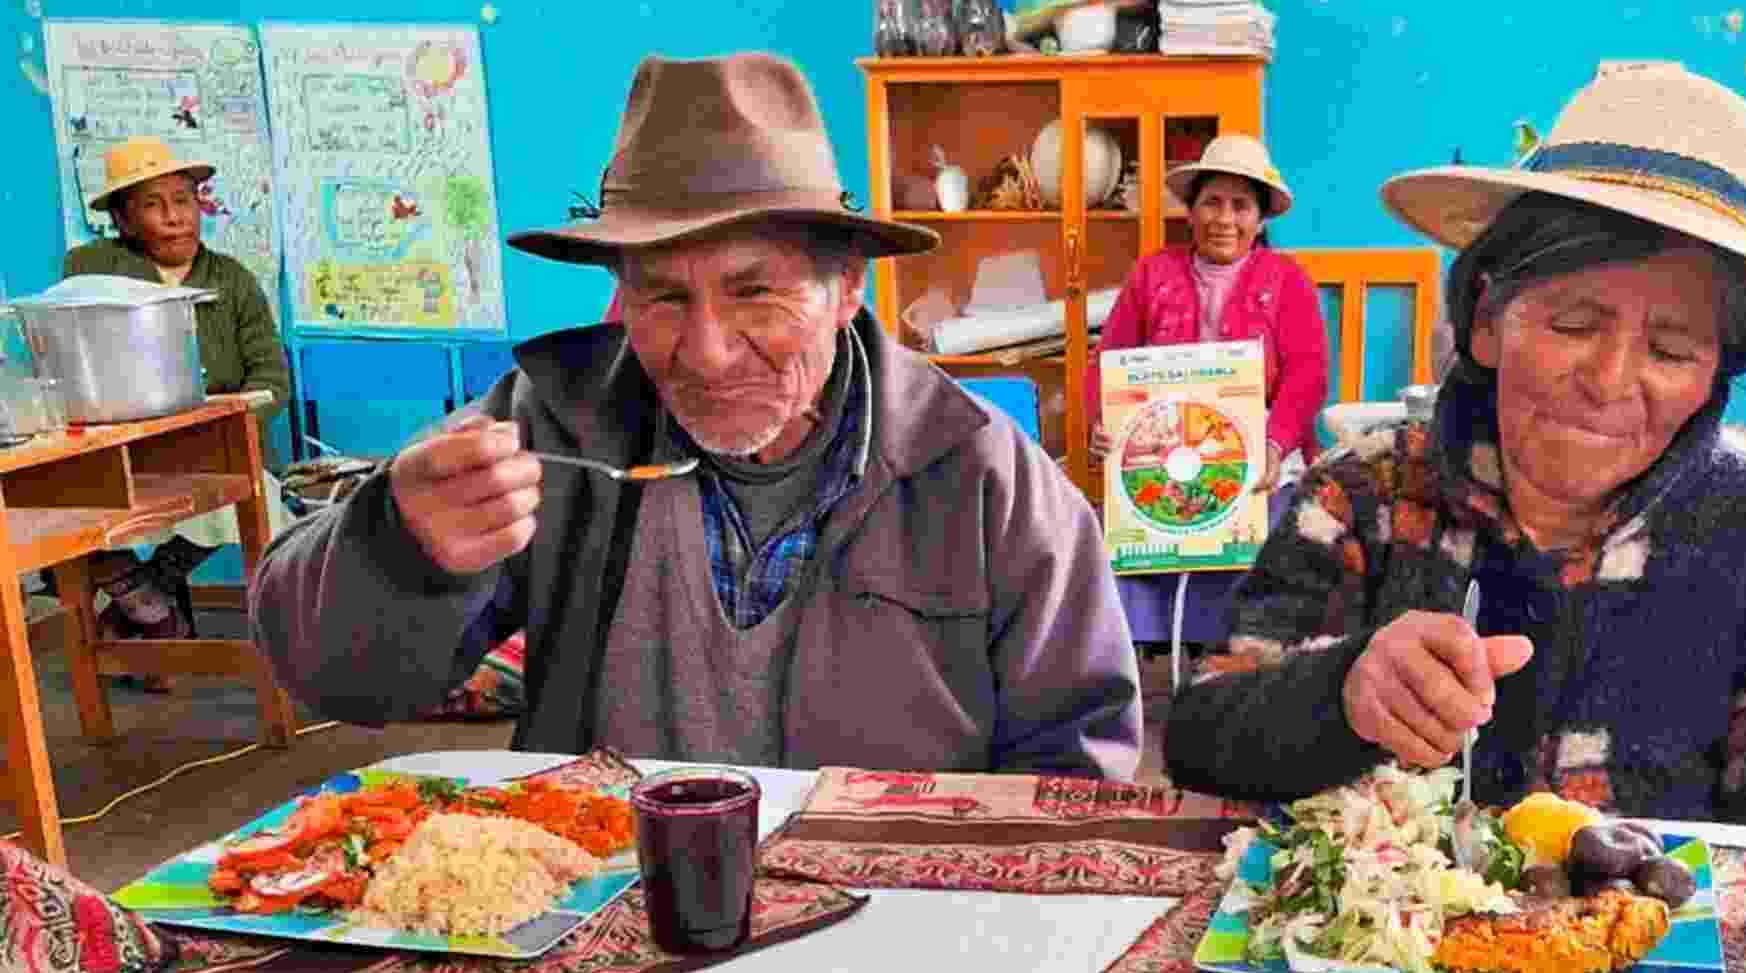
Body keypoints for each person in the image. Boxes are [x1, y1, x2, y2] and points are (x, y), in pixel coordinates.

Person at [250, 52, 1141, 777]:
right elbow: (329, 676)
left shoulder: (984, 476)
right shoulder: (553, 424)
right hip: (606, 899)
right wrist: (397, 547)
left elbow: (1078, 768)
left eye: (756, 292)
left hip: (896, 923)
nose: (708, 353)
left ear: (845, 289)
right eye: (664, 297)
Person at [1163, 60, 1746, 821]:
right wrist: (1341, 693)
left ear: (1713, 379)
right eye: (1573, 324)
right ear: (1486, 321)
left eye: (1671, 352)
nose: (1610, 381)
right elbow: (1200, 737)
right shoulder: (1367, 492)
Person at [63, 137, 291, 681]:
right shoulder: (97, 270)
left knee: (249, 493)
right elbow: (81, 342)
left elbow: (271, 378)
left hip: (218, 444)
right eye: (153, 205)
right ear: (123, 219)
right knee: (73, 508)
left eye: (184, 201)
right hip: (129, 447)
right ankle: (151, 611)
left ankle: (150, 600)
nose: (174, 218)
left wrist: (226, 422)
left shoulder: (232, 279)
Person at [1084, 133, 1328, 488]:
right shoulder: (1152, 273)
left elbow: (1308, 375)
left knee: (1274, 520)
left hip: (1261, 451)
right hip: (1164, 450)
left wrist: (1274, 444)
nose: (1224, 219)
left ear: (1260, 220)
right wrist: (1102, 420)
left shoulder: (1288, 279)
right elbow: (1109, 360)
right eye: (1212, 202)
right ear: (1190, 211)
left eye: (1241, 206)